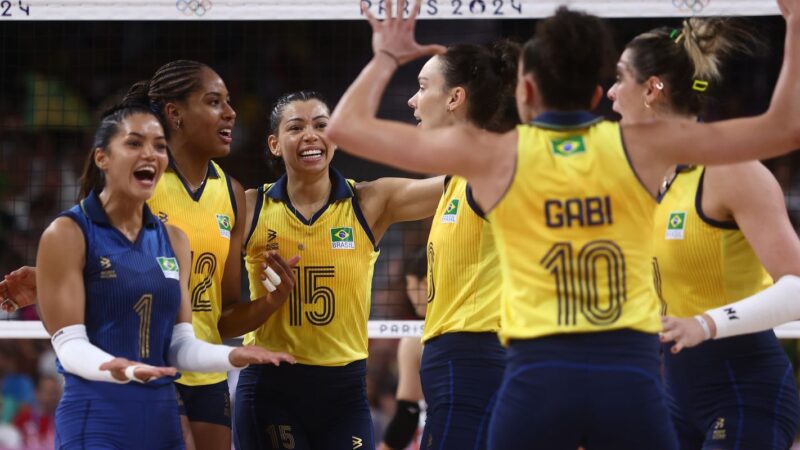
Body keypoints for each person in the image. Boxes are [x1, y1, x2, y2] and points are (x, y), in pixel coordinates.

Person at [326, 1, 800, 448]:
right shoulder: (645, 148)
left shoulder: (492, 157)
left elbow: (345, 129)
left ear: (525, 91)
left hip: (537, 379)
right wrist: (796, 24)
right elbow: (784, 127)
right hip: (629, 379)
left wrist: (387, 56)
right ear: (596, 94)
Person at [1, 60, 299, 450]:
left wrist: (270, 304)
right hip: (143, 370)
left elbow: (221, 315)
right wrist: (52, 278)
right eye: (213, 102)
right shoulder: (134, 187)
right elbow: (97, 260)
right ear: (175, 114)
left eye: (228, 102)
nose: (231, 113)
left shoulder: (229, 195)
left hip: (202, 370)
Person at [607, 19, 800, 448]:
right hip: (674, 394)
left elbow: (798, 286)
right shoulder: (645, 177)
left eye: (620, 77)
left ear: (652, 89)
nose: (611, 92)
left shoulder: (729, 170)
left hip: (745, 392)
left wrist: (707, 324)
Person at [233, 90, 443, 450]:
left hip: (344, 391)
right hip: (272, 387)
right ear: (274, 144)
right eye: (295, 127)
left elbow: (456, 185)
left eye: (321, 125)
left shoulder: (369, 202)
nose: (311, 135)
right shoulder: (250, 207)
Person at [401, 41, 519, 450]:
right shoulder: (459, 178)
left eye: (421, 86)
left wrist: (384, 58)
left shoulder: (492, 170)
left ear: (455, 98)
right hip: (457, 362)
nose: (412, 100)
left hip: (474, 357)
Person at [379, 247, 427, 450]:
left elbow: (408, 413)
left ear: (425, 284)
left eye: (409, 285)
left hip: (436, 436)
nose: (409, 293)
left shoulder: (414, 341)